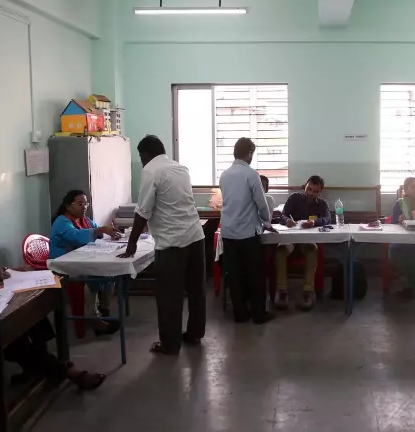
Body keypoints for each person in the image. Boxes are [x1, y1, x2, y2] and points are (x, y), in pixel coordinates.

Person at [0, 205, 105, 390]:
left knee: (33, 312)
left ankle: (40, 369)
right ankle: (65, 371)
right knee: (13, 335)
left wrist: (10, 271)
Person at [118, 135, 206, 355]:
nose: (142, 161)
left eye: (141, 157)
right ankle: (194, 334)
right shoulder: (180, 168)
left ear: (146, 153)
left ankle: (170, 344)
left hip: (172, 243)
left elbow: (142, 212)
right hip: (196, 237)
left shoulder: (151, 171)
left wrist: (131, 245)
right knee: (196, 291)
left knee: (169, 296)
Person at [49, 189, 122, 336]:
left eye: (85, 204)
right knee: (89, 281)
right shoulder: (62, 222)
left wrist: (110, 232)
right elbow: (76, 236)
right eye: (80, 204)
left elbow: (96, 231)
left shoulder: (84, 219)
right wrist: (100, 230)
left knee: (110, 274)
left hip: (81, 261)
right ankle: (94, 319)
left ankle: (104, 311)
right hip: (65, 266)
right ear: (67, 206)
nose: (84, 207)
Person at [220, 137, 275, 324]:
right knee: (255, 275)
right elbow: (261, 203)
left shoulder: (224, 175)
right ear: (249, 153)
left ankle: (240, 314)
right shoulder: (251, 174)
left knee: (235, 276)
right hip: (248, 234)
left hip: (228, 233)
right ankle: (258, 314)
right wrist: (267, 221)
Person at [275, 175, 330, 311]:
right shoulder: (294, 198)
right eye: (309, 189)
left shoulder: (322, 204)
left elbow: (327, 219)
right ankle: (282, 291)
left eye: (315, 191)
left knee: (312, 250)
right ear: (305, 186)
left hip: (307, 241)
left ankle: (307, 293)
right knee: (280, 250)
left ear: (320, 192)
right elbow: (282, 215)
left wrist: (314, 222)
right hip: (290, 239)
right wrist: (287, 221)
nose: (311, 193)